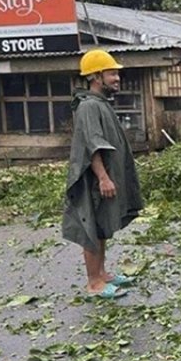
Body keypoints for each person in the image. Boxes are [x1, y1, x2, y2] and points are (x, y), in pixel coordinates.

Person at [63, 50, 144, 300]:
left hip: (104, 178)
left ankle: (102, 273)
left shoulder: (100, 103)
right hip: (95, 180)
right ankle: (94, 283)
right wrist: (103, 178)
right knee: (92, 227)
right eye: (112, 74)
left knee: (102, 224)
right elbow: (92, 144)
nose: (117, 78)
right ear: (96, 77)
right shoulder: (88, 106)